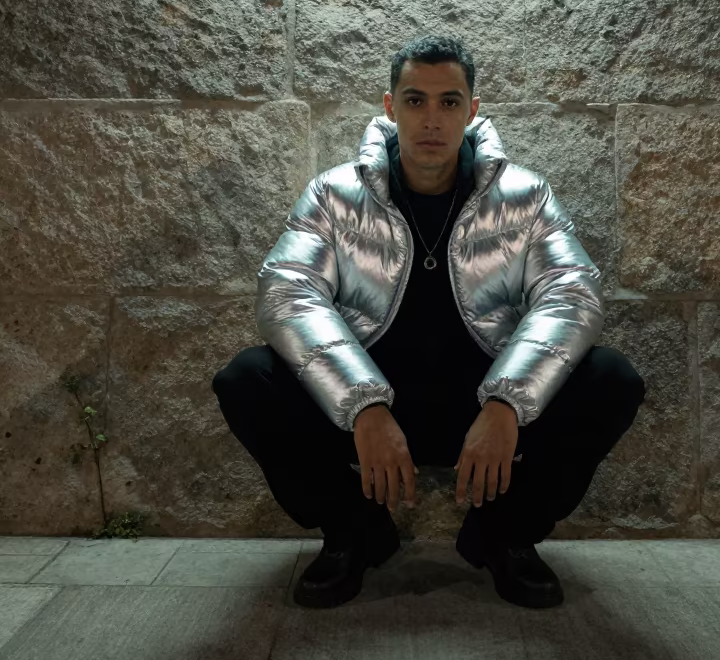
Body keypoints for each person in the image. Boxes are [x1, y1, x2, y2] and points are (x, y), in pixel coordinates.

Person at [213, 35, 646, 610]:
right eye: (416, 101)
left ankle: (504, 535)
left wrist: (507, 402)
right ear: (390, 108)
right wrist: (362, 405)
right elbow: (287, 294)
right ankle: (353, 533)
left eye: (449, 102)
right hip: (373, 410)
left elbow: (573, 294)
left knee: (613, 378)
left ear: (472, 110)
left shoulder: (525, 196)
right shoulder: (334, 194)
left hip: (484, 409)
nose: (432, 120)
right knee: (247, 378)